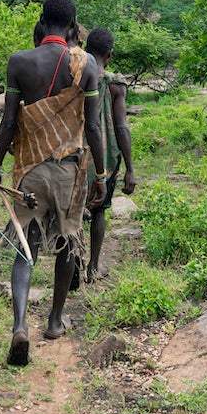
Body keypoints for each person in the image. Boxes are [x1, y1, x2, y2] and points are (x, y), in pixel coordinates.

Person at [0, 0, 106, 367]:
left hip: (29, 170)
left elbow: (8, 121)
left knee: (26, 246)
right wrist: (101, 174)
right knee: (68, 241)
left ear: (42, 20)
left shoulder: (19, 61)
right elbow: (94, 125)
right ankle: (54, 321)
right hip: (70, 170)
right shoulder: (86, 65)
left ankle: (20, 325)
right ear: (73, 25)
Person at [82, 28, 136, 283]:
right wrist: (130, 169)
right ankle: (93, 267)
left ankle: (72, 263)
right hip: (104, 157)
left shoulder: (74, 74)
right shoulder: (115, 83)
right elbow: (121, 126)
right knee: (99, 211)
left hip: (73, 154)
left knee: (73, 213)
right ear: (109, 55)